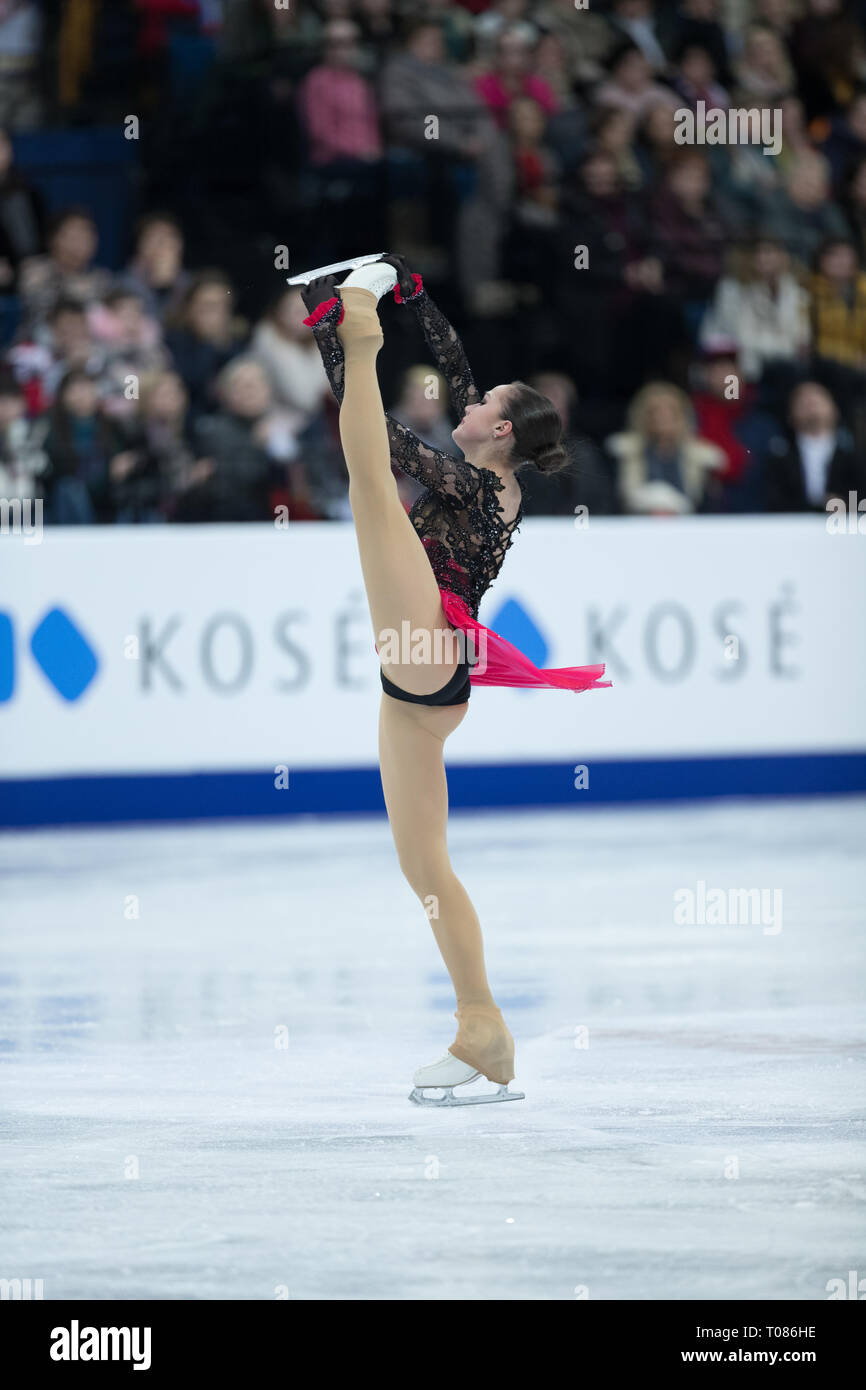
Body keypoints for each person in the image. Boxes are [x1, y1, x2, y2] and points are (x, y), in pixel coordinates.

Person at [299, 253, 609, 1105]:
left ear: (502, 431)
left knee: (370, 485)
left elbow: (379, 440)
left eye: (482, 407)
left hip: (429, 642)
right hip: (424, 699)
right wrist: (414, 291)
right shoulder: (493, 474)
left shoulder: (476, 483)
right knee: (425, 867)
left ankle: (358, 317)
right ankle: (485, 1030)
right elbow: (451, 372)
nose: (466, 403)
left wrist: (349, 325)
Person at [765, 380, 863, 510]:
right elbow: (773, 502)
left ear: (835, 410)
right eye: (802, 401)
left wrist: (843, 504)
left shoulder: (856, 455)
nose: (810, 403)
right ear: (790, 415)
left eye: (818, 399)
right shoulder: (779, 457)